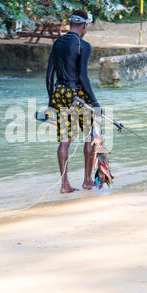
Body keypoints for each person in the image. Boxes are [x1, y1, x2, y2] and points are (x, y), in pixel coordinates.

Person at [46, 10, 101, 193]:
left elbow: (49, 75)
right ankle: (87, 181)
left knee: (64, 140)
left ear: (70, 24)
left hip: (59, 93)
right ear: (84, 26)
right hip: (76, 94)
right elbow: (83, 77)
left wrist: (51, 102)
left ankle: (64, 185)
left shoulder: (57, 43)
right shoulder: (82, 45)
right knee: (90, 136)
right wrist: (95, 103)